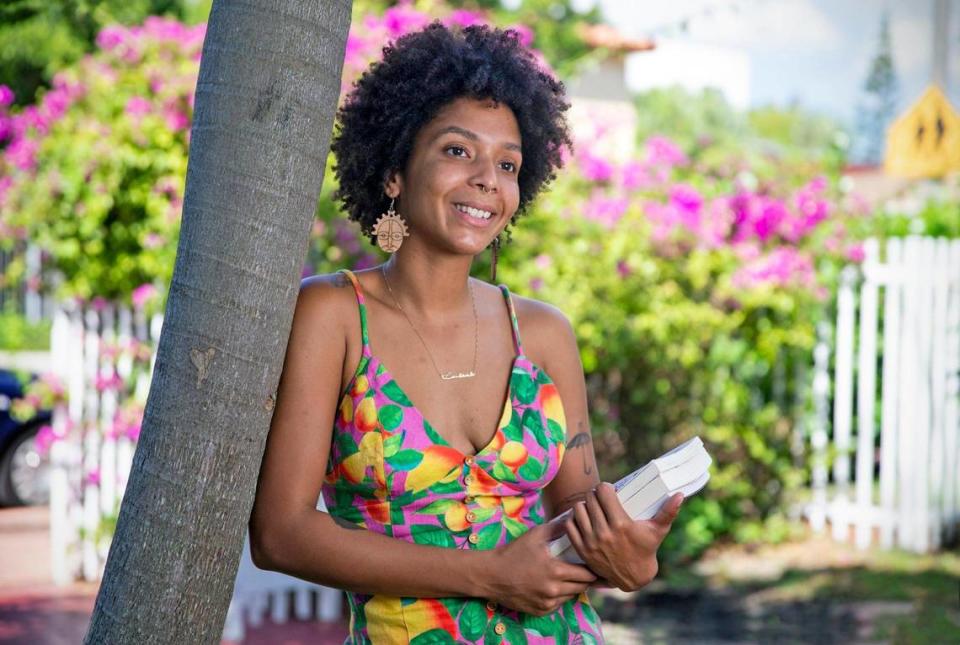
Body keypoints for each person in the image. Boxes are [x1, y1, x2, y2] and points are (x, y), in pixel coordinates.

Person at [249, 21, 683, 644]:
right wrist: (487, 576)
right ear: (395, 170)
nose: (487, 178)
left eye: (507, 163)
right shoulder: (335, 314)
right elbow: (280, 533)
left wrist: (630, 558)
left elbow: (577, 526)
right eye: (458, 150)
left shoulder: (544, 334)